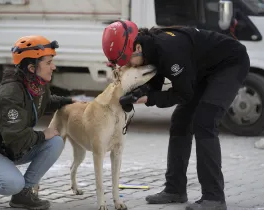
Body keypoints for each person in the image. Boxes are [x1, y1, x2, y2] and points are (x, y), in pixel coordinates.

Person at [101, 20, 250, 210]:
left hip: (230, 63)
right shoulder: (150, 48)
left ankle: (214, 198)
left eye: (128, 61)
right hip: (203, 70)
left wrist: (149, 98)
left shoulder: (169, 51)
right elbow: (156, 81)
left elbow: (183, 94)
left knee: (205, 120)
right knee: (180, 121)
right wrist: (141, 92)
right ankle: (175, 190)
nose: (129, 66)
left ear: (137, 47)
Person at [0, 35, 75, 210]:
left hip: (7, 147)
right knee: (13, 183)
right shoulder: (8, 96)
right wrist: (43, 134)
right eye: (48, 62)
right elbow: (18, 139)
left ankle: (23, 196)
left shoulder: (35, 84)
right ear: (31, 67)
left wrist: (70, 101)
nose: (54, 66)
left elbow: (43, 101)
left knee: (55, 142)